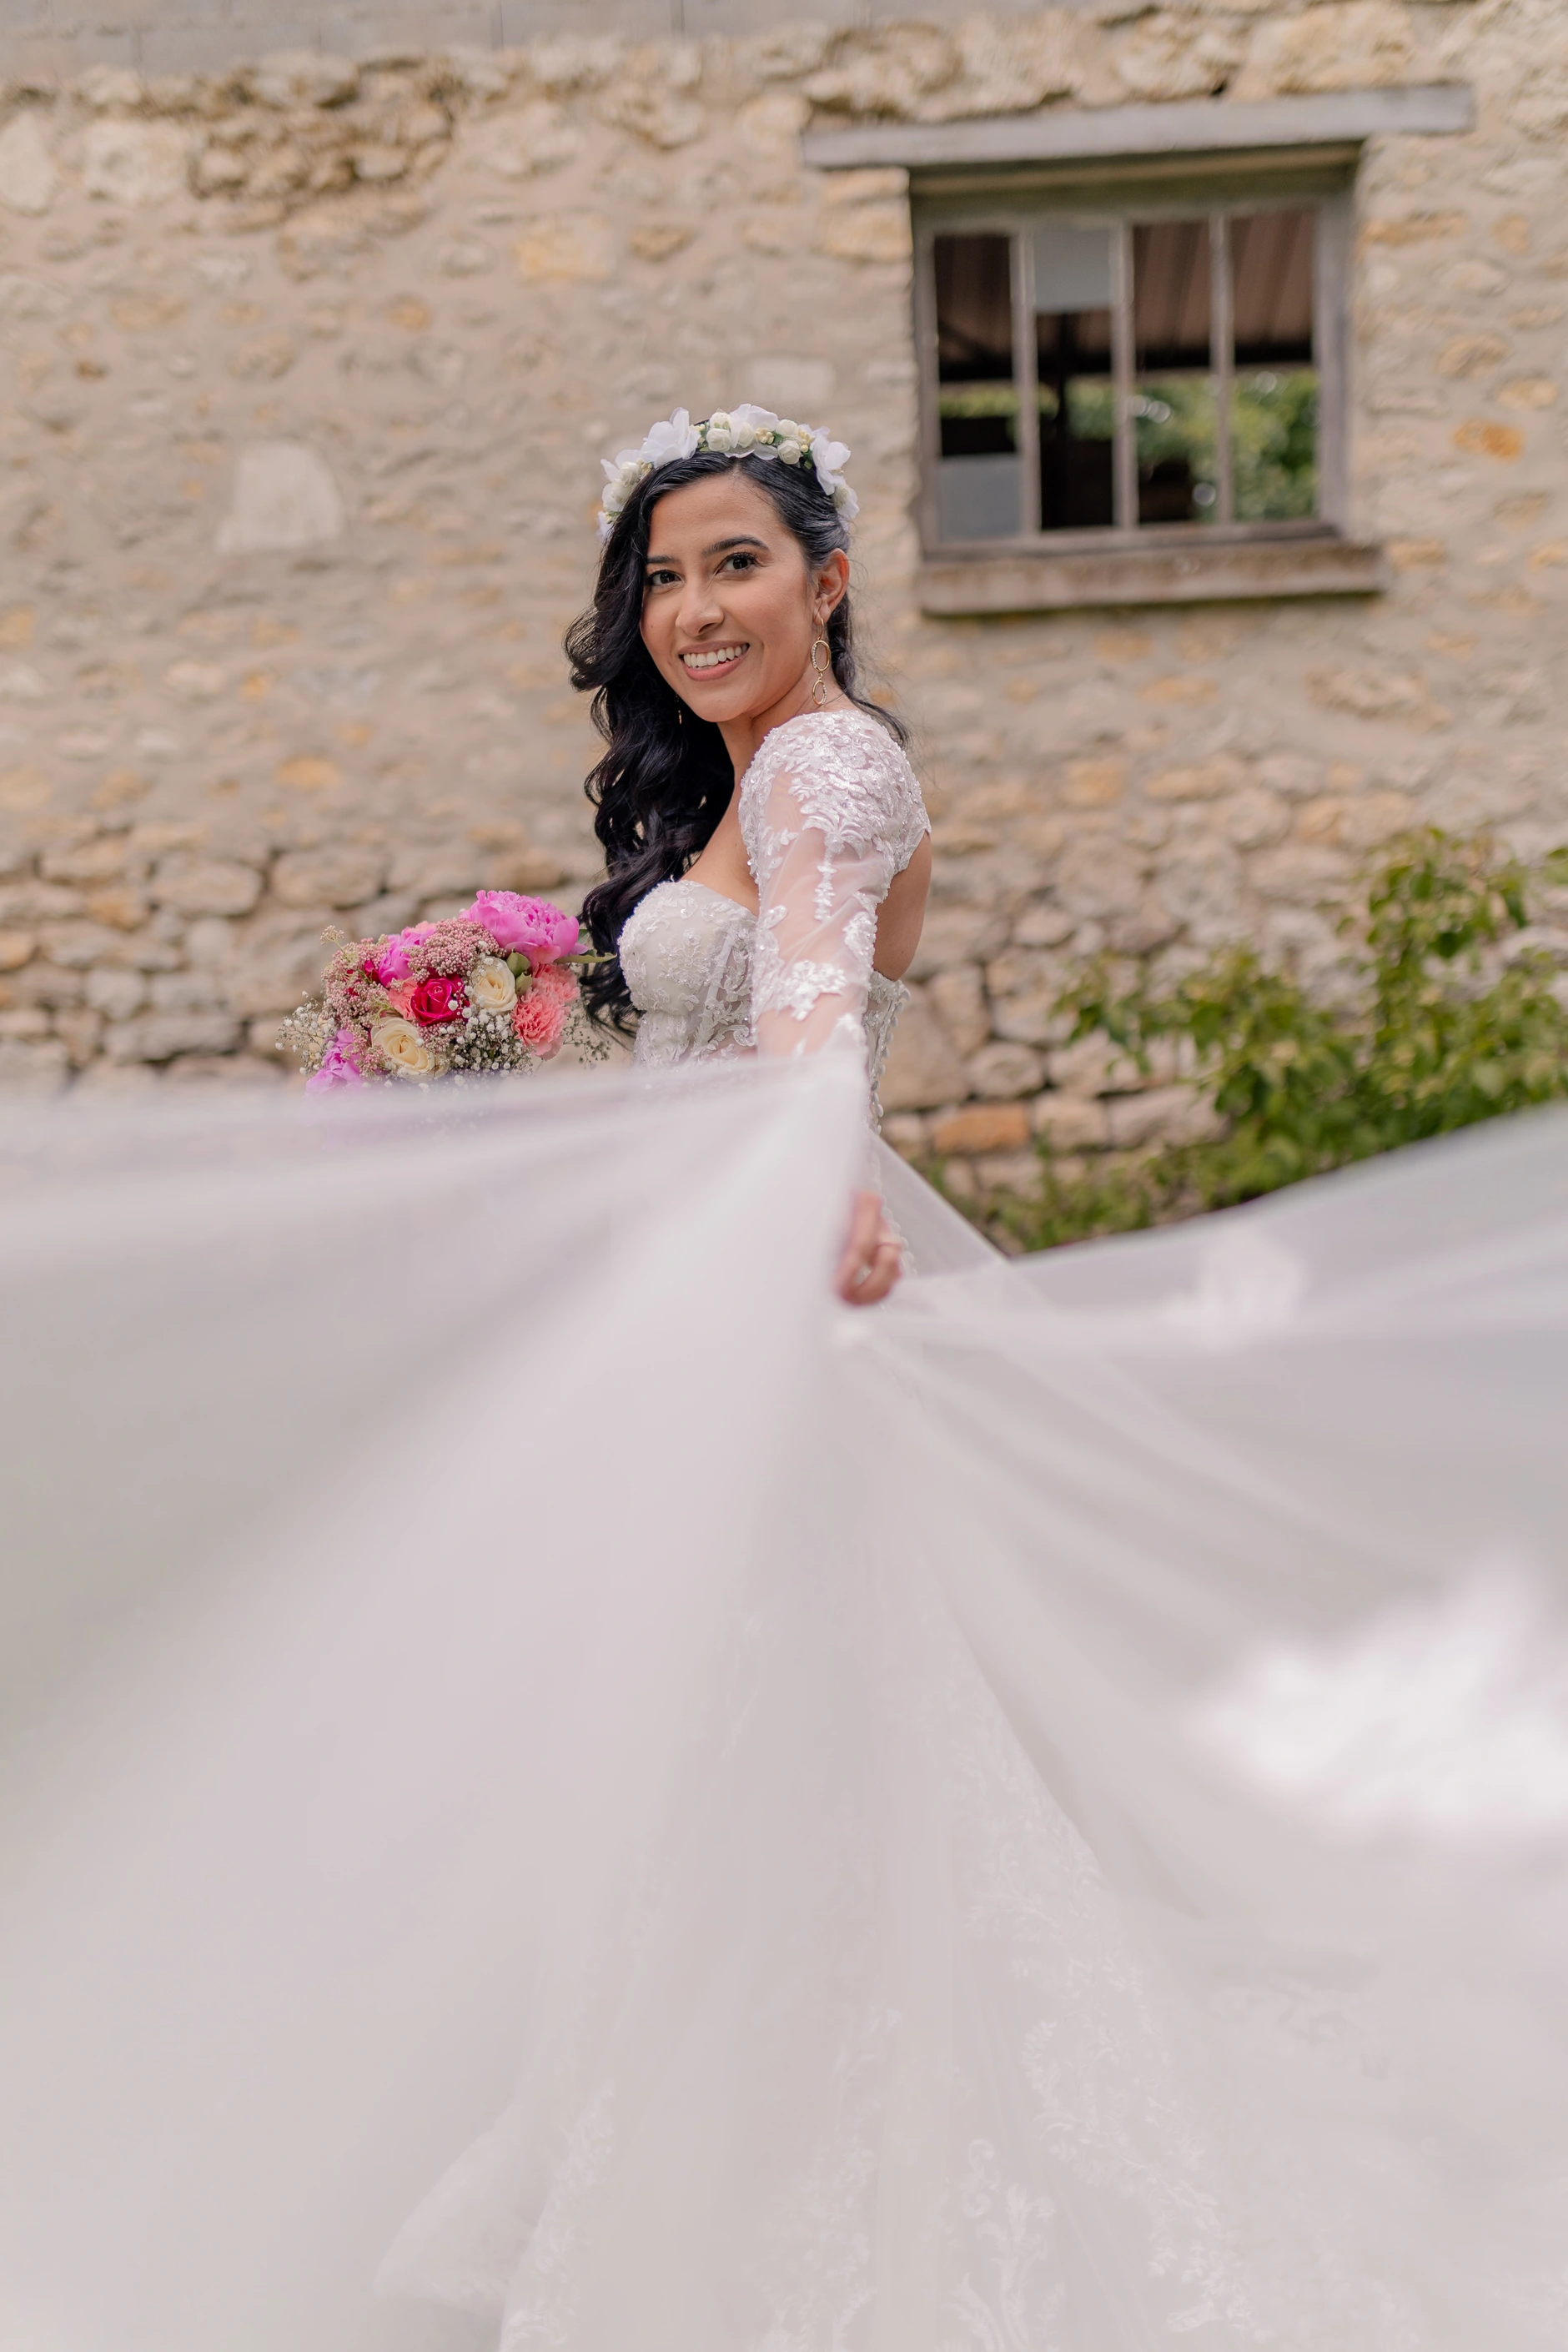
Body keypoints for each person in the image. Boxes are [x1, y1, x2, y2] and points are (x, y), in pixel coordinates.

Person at [2, 411, 1567, 2352]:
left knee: (747, 1750)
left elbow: (816, 999)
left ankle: (791, 2197)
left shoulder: (828, 762)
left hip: (781, 1296)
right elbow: (740, 998)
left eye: (734, 562)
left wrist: (806, 1189)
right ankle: (699, 2142)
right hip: (708, 1277)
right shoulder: (744, 788)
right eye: (659, 576)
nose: (690, 608)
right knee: (746, 1761)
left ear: (829, 578)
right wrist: (478, 1014)